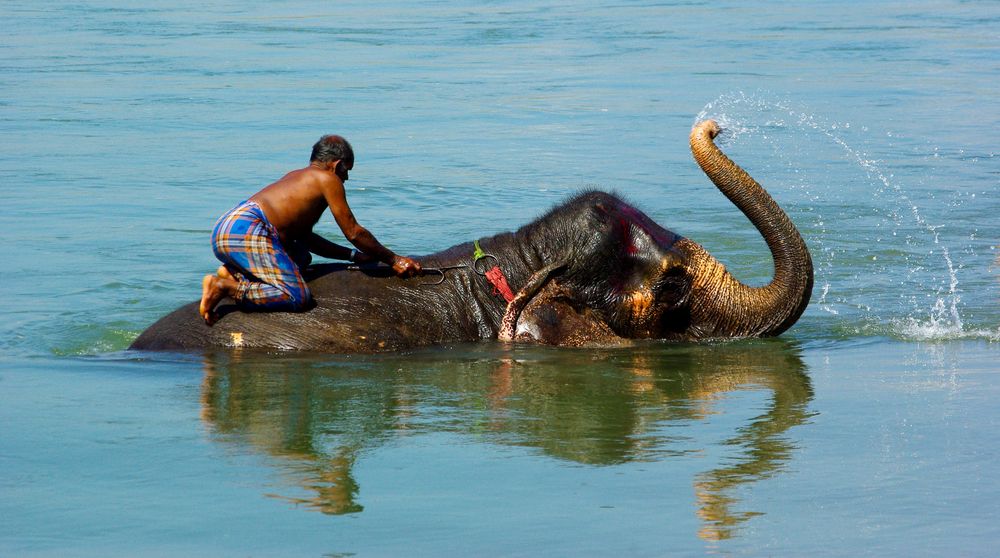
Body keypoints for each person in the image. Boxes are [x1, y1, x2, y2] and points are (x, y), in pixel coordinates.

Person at [198, 134, 422, 325]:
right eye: (346, 171)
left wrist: (353, 255)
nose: (346, 178)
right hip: (249, 229)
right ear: (336, 165)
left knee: (301, 257)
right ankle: (226, 287)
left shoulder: (297, 176)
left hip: (231, 225)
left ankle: (236, 273)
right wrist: (394, 260)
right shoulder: (328, 179)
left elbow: (306, 238)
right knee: (297, 296)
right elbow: (353, 231)